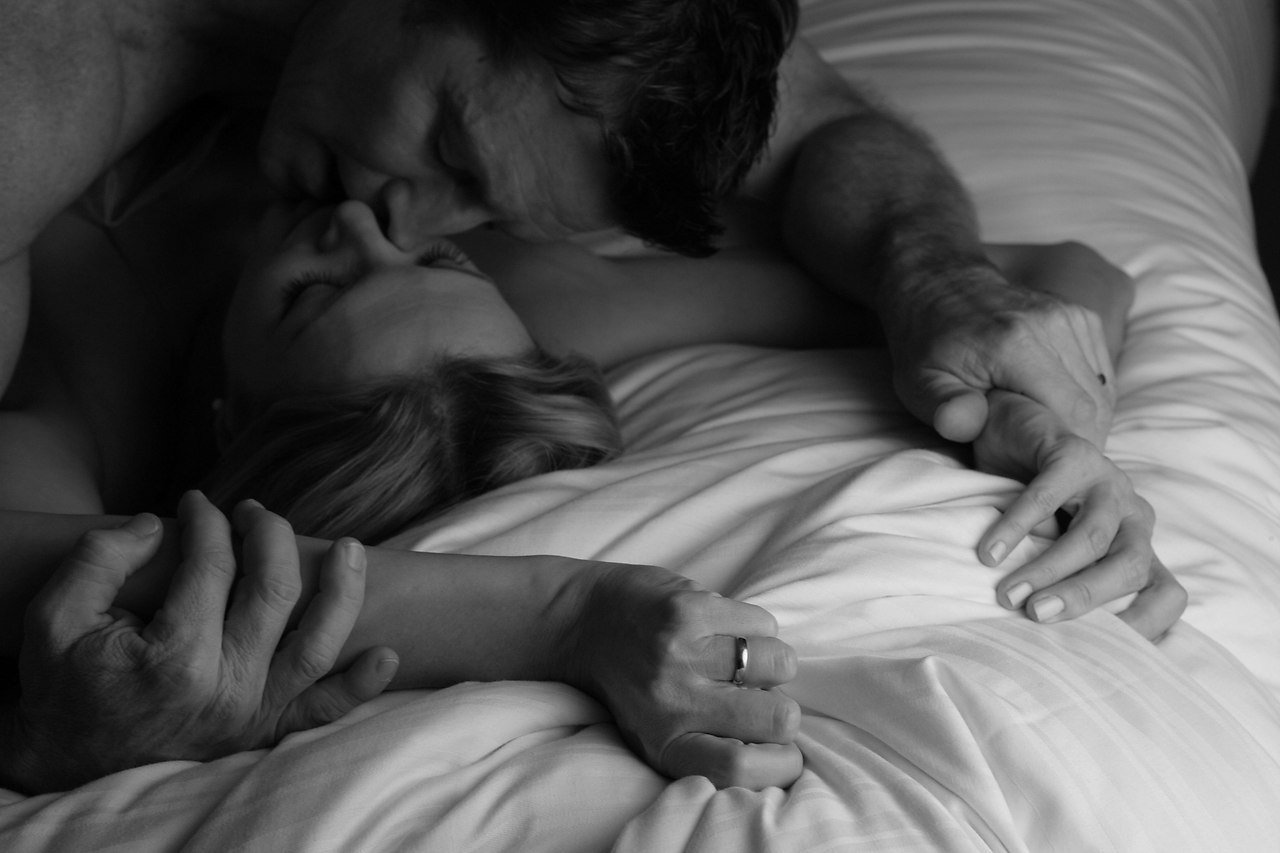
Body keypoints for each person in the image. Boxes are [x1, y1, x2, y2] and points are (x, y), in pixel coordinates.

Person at [0, 0, 1165, 790]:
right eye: (450, 149)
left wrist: (972, 329)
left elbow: (993, 241)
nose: (388, 221)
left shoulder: (519, 271)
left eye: (480, 217)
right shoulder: (43, 95)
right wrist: (558, 614)